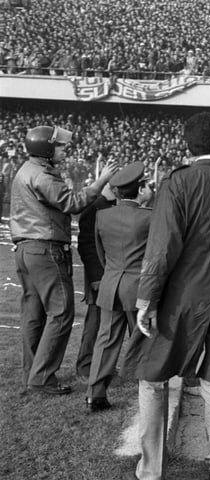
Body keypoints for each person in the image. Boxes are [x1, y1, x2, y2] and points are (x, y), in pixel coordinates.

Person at [129, 112, 210, 480]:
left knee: (153, 376)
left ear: (187, 143)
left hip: (185, 298)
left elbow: (162, 247)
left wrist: (147, 299)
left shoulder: (181, 182)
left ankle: (152, 469)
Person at [10, 125, 117, 395]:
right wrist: (101, 181)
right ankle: (42, 378)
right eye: (60, 146)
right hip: (45, 249)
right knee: (61, 312)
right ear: (46, 148)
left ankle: (32, 374)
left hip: (27, 250)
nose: (64, 150)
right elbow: (73, 202)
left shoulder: (26, 170)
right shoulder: (42, 174)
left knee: (33, 315)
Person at [85, 162, 153, 412]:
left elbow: (101, 255)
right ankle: (146, 390)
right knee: (144, 339)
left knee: (106, 341)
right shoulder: (149, 217)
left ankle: (95, 393)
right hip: (138, 287)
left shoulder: (103, 215)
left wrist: (113, 274)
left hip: (111, 283)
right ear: (140, 189)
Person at [75, 183, 117, 384]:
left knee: (109, 323)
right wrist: (96, 276)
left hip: (113, 273)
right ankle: (85, 366)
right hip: (100, 275)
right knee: (96, 320)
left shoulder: (111, 205)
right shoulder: (94, 208)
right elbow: (86, 245)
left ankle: (102, 366)